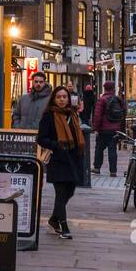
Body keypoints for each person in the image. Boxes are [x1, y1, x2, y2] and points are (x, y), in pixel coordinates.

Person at [36, 86, 84, 239]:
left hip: (73, 159)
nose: (62, 100)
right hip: (58, 159)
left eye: (65, 97)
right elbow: (41, 139)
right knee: (61, 193)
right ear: (54, 99)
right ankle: (64, 226)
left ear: (69, 98)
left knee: (70, 191)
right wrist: (56, 145)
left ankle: (53, 220)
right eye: (59, 97)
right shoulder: (49, 116)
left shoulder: (73, 114)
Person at [91, 79, 126, 176]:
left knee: (99, 148)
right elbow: (124, 112)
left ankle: (97, 168)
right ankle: (113, 171)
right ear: (113, 88)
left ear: (104, 88)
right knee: (112, 150)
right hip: (115, 129)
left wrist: (95, 128)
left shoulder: (102, 100)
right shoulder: (118, 99)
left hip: (103, 129)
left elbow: (97, 116)